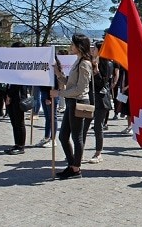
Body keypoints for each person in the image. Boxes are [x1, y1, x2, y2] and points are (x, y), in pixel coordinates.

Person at [51, 33, 92, 180]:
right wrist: (58, 73)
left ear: (79, 46)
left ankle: (76, 168)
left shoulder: (85, 63)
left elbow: (80, 89)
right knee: (63, 136)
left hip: (78, 102)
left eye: (73, 44)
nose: (71, 47)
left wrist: (59, 93)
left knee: (77, 136)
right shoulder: (78, 61)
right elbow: (70, 83)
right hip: (71, 101)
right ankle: (72, 164)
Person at [82, 41, 113, 164]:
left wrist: (96, 70)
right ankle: (80, 151)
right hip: (89, 98)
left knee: (98, 127)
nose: (92, 50)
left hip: (101, 99)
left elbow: (102, 83)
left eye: (94, 48)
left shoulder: (108, 64)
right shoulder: (89, 62)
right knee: (84, 126)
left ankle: (98, 153)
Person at [4, 41, 29, 155]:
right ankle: (17, 143)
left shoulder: (22, 64)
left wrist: (9, 95)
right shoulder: (13, 62)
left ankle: (21, 145)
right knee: (14, 121)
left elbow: (18, 82)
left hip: (18, 96)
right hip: (11, 94)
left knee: (19, 122)